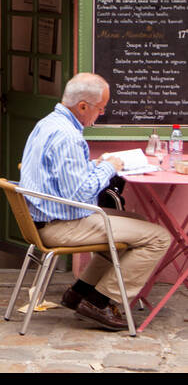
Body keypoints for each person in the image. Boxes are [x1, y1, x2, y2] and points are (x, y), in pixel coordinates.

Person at [19, 72, 170, 331]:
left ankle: (80, 292)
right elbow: (78, 194)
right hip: (61, 225)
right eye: (100, 108)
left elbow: (64, 174)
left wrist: (94, 164)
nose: (100, 114)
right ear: (82, 106)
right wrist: (108, 168)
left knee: (138, 224)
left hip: (47, 219)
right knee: (158, 237)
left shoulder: (48, 123)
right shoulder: (68, 136)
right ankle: (101, 302)